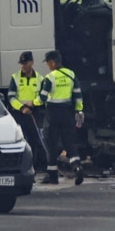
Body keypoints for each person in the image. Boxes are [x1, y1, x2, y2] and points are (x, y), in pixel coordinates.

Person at [38, 50, 85, 185]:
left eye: (48, 63)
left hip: (52, 114)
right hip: (67, 113)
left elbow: (42, 98)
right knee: (69, 143)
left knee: (51, 145)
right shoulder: (71, 75)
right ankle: (77, 167)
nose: (48, 66)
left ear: (52, 62)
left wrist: (33, 103)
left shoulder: (50, 77)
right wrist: (79, 110)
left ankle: (52, 176)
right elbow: (77, 95)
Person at [6, 51, 46, 174]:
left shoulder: (40, 79)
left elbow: (43, 98)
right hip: (19, 113)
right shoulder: (15, 77)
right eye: (21, 64)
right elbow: (11, 97)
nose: (23, 66)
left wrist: (34, 104)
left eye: (25, 63)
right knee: (20, 140)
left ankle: (33, 167)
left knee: (35, 141)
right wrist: (22, 108)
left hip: (34, 113)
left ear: (32, 62)